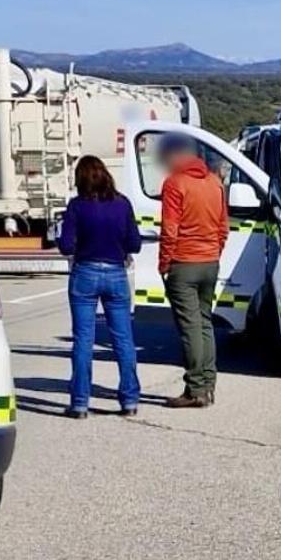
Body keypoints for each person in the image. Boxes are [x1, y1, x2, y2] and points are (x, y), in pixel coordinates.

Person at [57, 155, 142, 418]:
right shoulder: (122, 204)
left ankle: (80, 403)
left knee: (83, 339)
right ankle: (129, 400)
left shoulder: (77, 206)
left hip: (85, 272)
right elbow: (135, 244)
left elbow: (67, 246)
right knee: (123, 340)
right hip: (116, 274)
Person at [158, 135, 228, 409]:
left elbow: (170, 229)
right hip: (210, 261)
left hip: (183, 261)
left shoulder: (175, 183)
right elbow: (223, 228)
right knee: (205, 322)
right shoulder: (214, 182)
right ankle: (208, 384)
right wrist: (214, 251)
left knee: (189, 327)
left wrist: (164, 263)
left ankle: (195, 388)